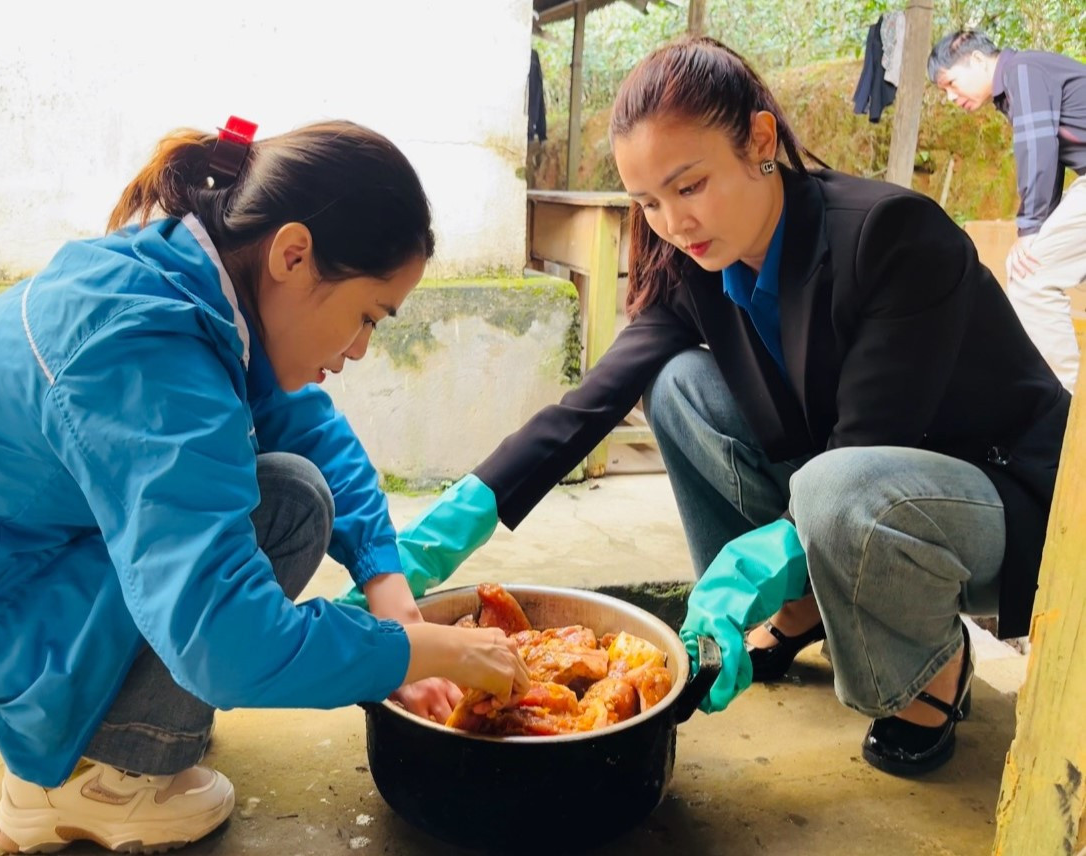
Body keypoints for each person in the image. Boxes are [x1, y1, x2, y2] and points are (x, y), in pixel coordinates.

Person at [345, 38, 1069, 778]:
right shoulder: (699, 266)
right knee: (676, 386)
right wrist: (437, 537)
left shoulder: (890, 235)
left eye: (688, 187)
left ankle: (930, 676)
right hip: (857, 489)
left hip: (998, 504)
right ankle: (797, 610)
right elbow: (591, 405)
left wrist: (744, 567)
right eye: (649, 202)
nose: (672, 223)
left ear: (759, 140)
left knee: (833, 484)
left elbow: (866, 447)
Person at [0, 117, 529, 854]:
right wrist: (421, 655)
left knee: (294, 487)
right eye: (366, 318)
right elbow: (229, 644)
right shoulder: (146, 348)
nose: (358, 350)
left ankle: (112, 725)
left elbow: (311, 429)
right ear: (294, 253)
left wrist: (394, 596)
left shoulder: (187, 283)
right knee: (284, 509)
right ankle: (84, 787)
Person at [929, 29, 1086, 391]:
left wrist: (1030, 230)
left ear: (978, 60)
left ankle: (1066, 412)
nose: (951, 98)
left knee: (1030, 278)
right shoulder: (1026, 78)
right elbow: (1050, 155)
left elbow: (1038, 147)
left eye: (951, 84)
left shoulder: (1024, 71)